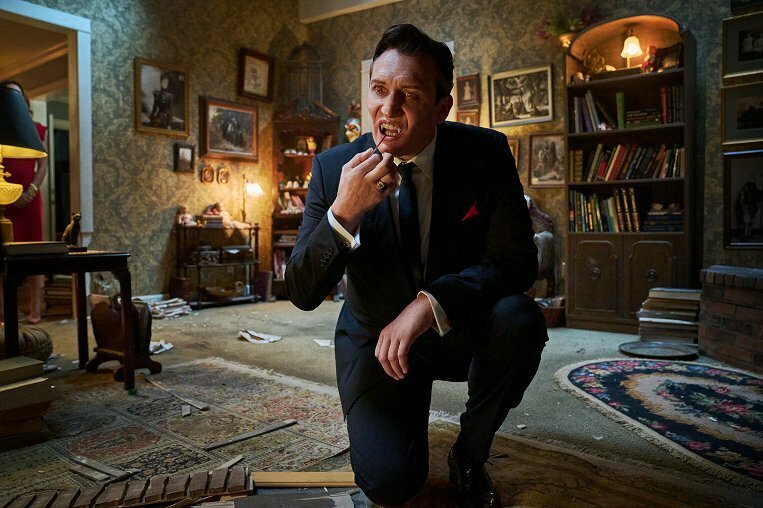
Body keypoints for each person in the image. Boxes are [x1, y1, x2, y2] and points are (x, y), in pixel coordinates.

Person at [286, 24, 547, 507]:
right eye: (379, 90)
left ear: (442, 107)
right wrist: (344, 214)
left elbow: (517, 263)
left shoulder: (485, 153)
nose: (387, 109)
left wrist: (432, 302)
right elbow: (302, 292)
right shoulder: (332, 168)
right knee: (389, 485)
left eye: (409, 95)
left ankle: (469, 452)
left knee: (520, 318)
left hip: (457, 330)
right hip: (375, 340)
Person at [0, 80, 49, 324]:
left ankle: (36, 304)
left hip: (29, 199)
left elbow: (43, 164)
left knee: (31, 252)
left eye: (17, 95)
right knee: (2, 253)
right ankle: (2, 309)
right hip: (2, 199)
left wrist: (31, 191)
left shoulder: (36, 129)